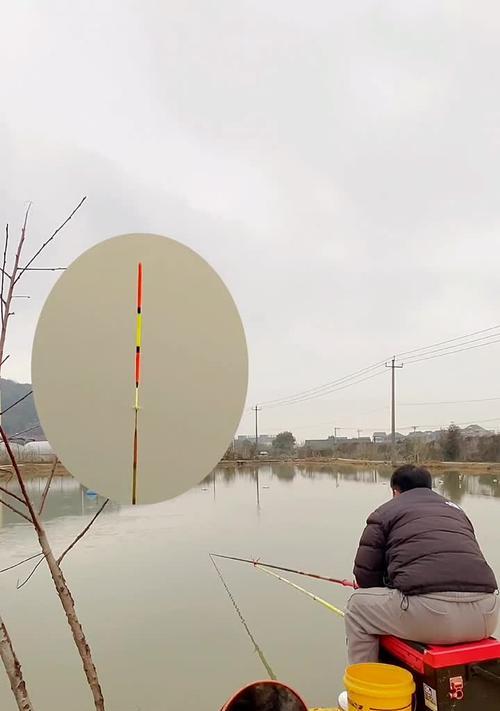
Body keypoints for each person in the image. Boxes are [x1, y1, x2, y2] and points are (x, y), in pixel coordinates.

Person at [337, 464, 499, 710]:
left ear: (395, 491)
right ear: (430, 487)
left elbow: (365, 578)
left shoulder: (385, 512)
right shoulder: (456, 510)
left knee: (357, 607)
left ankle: (367, 695)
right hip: (487, 616)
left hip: (432, 619)